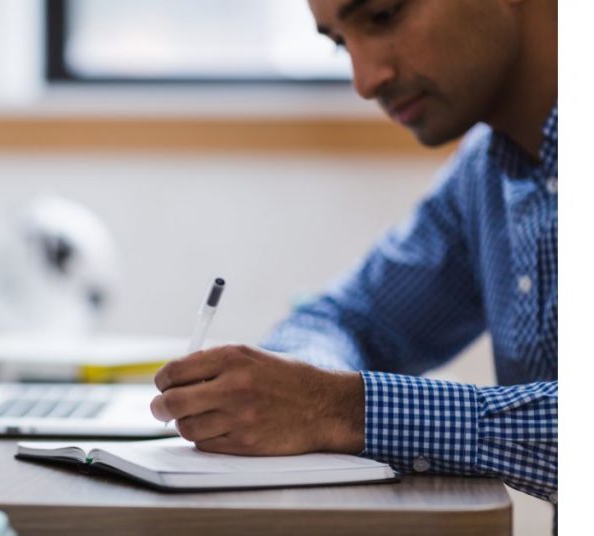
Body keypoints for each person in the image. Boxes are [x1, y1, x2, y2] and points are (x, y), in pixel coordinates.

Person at [149, 0, 558, 506]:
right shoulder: (485, 171)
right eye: (341, 44)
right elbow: (347, 319)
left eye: (384, 15)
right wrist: (295, 391)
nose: (365, 82)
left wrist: (340, 408)